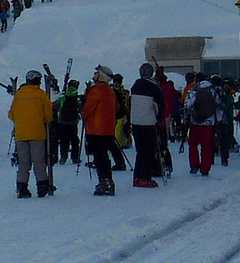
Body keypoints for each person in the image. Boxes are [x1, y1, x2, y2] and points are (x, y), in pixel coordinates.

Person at [7, 70, 55, 198]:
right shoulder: (41, 94)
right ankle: (42, 186)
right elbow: (48, 116)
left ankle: (22, 187)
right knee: (39, 161)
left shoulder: (18, 95)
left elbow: (11, 114)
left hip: (21, 134)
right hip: (37, 133)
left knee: (23, 162)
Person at [82, 66, 120, 195]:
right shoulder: (110, 91)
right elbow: (116, 107)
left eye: (97, 73)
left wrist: (83, 112)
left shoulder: (96, 90)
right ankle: (107, 181)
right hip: (108, 129)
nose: (94, 74)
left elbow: (87, 110)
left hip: (96, 129)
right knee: (104, 156)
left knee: (100, 158)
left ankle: (105, 183)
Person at [129, 63, 165, 188]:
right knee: (149, 151)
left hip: (135, 122)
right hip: (149, 122)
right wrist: (158, 118)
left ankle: (137, 177)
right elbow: (160, 106)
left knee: (140, 151)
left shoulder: (135, 86)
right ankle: (145, 177)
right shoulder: (154, 87)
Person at [184, 75, 219, 175]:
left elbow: (187, 105)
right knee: (206, 147)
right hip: (208, 123)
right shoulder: (212, 91)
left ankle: (194, 165)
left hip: (195, 123)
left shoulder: (193, 90)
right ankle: (205, 168)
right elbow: (218, 105)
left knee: (193, 145)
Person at [50, 78, 84, 165]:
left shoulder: (62, 98)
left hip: (61, 122)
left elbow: (55, 107)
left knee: (63, 141)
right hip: (73, 123)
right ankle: (75, 157)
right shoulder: (77, 98)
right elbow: (81, 109)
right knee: (74, 140)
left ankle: (63, 157)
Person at [214, 77, 235, 166]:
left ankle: (216, 151)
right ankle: (224, 157)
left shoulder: (214, 92)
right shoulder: (223, 94)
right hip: (224, 118)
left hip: (219, 118)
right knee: (223, 136)